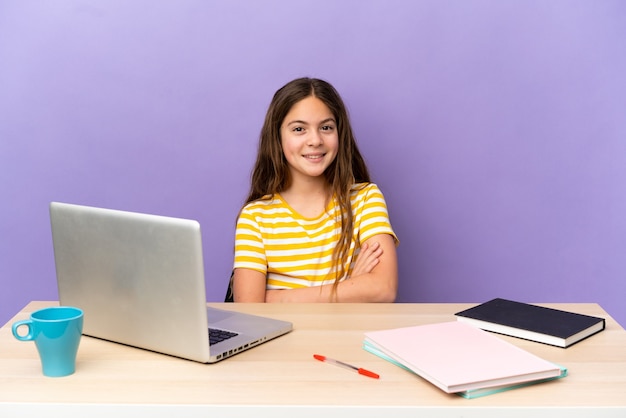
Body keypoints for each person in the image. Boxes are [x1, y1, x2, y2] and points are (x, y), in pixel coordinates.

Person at [232, 77, 398, 302]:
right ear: (278, 137)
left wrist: (277, 299)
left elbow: (383, 288)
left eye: (326, 127)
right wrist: (349, 288)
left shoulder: (365, 199)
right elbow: (249, 307)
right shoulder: (255, 217)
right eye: (299, 129)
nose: (315, 140)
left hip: (345, 337)